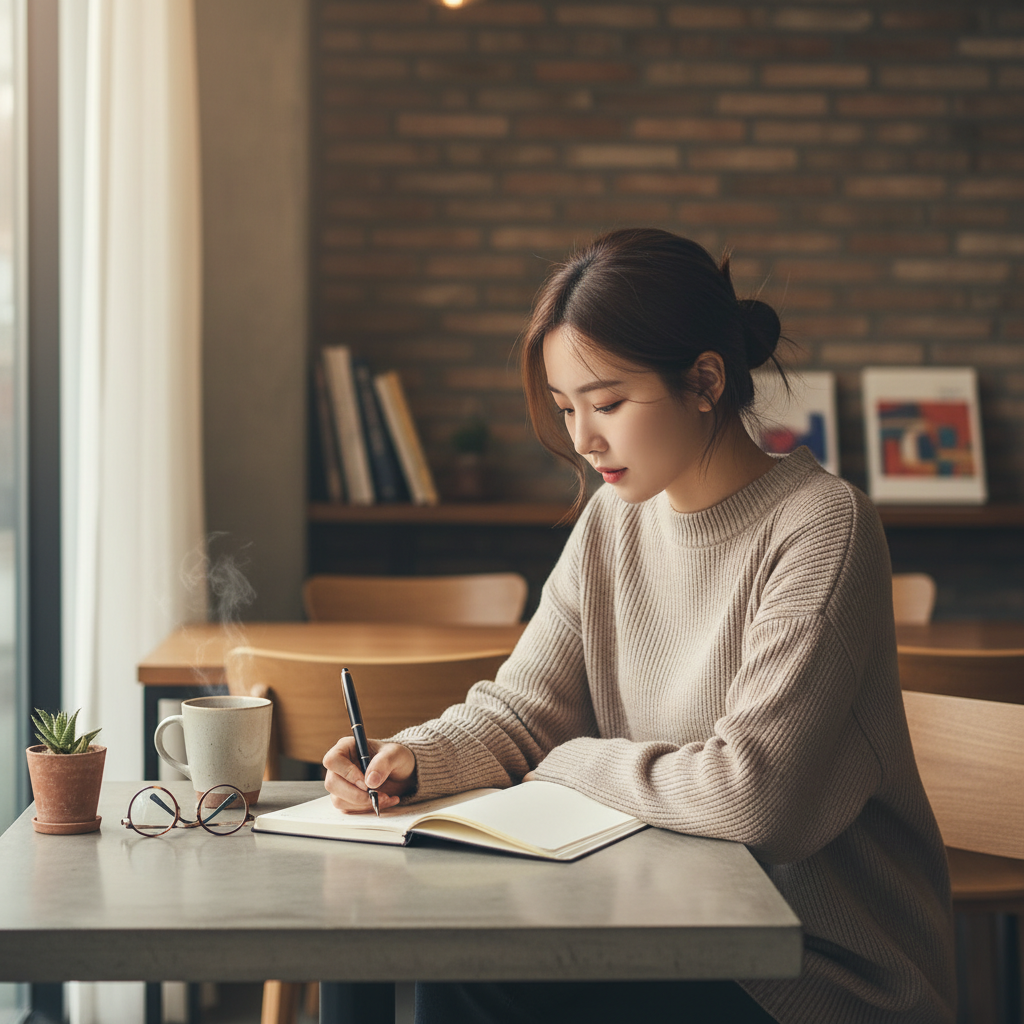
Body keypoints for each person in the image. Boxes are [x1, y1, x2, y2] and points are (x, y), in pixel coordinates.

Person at [323, 228, 956, 1024]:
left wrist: (570, 762)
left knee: (475, 976)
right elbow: (523, 712)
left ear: (704, 381)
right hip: (665, 922)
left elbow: (753, 798)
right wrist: (415, 759)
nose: (585, 442)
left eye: (610, 403)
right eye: (566, 409)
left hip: (813, 974)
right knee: (459, 963)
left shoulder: (822, 526)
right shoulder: (612, 525)